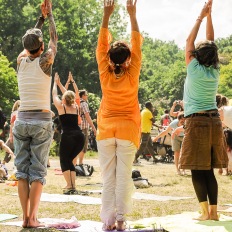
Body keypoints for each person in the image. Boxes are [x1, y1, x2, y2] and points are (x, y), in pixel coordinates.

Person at [179, 0, 227, 221]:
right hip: (214, 122)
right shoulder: (215, 70)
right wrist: (210, 16)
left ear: (197, 55)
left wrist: (201, 15)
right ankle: (214, 213)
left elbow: (190, 40)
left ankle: (204, 212)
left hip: (196, 122)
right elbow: (211, 43)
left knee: (197, 169)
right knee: (208, 169)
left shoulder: (193, 67)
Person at [96, 0, 142, 230]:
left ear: (110, 57)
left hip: (105, 130)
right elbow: (137, 43)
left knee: (108, 178)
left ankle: (108, 222)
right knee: (123, 177)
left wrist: (107, 15)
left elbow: (100, 45)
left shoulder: (105, 71)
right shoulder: (132, 73)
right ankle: (121, 221)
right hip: (127, 129)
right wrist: (132, 14)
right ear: (127, 59)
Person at [13, 0, 57, 228]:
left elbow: (31, 43)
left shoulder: (20, 61)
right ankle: (33, 218)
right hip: (41, 121)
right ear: (41, 47)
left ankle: (24, 218)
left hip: (21, 120)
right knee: (37, 171)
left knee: (22, 171)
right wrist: (49, 16)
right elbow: (54, 39)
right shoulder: (45, 60)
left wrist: (39, 20)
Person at [52, 73, 85, 194]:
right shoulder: (75, 106)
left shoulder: (62, 108)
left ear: (64, 99)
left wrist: (55, 84)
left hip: (68, 136)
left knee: (64, 160)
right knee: (70, 160)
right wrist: (61, 83)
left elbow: (54, 94)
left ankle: (69, 185)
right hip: (79, 136)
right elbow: (68, 95)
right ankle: (72, 185)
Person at [77, 89, 96, 165]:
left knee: (77, 145)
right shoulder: (84, 104)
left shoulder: (76, 102)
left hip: (76, 126)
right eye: (86, 95)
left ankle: (74, 164)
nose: (87, 96)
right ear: (83, 96)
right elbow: (87, 116)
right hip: (83, 127)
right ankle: (80, 163)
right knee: (83, 145)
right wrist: (94, 128)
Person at [2, 100, 20, 165]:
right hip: (19, 133)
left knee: (10, 148)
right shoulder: (21, 113)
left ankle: (4, 163)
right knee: (12, 148)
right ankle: (4, 162)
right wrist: (11, 135)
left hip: (16, 132)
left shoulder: (14, 113)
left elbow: (12, 125)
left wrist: (11, 135)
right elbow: (12, 125)